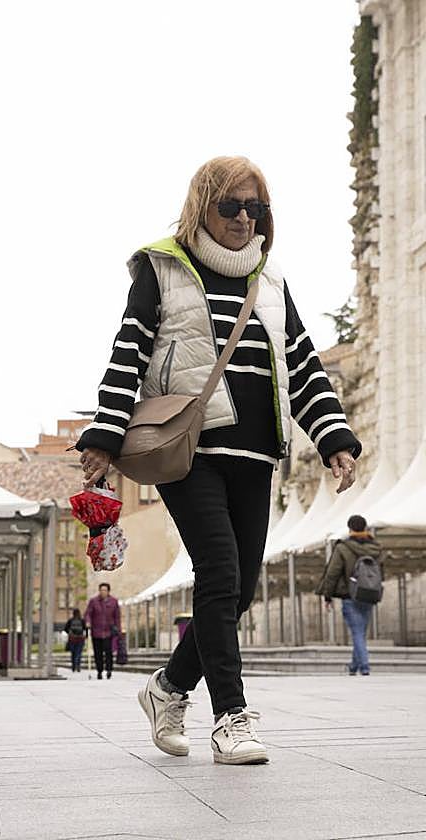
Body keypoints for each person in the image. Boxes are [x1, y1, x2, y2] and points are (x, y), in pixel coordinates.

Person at [78, 156, 361, 766]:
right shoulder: (163, 267)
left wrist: (333, 437)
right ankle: (231, 718)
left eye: (256, 208)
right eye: (230, 205)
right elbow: (129, 351)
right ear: (202, 205)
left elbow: (302, 364)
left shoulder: (271, 278)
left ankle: (167, 687)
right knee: (219, 572)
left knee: (240, 590)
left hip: (256, 454)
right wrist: (104, 435)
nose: (243, 218)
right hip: (190, 450)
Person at [317, 515, 383, 676]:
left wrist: (327, 596)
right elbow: (380, 571)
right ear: (365, 528)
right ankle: (353, 666)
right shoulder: (376, 547)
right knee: (360, 632)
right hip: (368, 594)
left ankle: (364, 667)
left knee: (357, 632)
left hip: (349, 595)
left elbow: (332, 573)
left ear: (350, 529)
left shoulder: (343, 547)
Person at [84, 584, 120, 679]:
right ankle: (99, 671)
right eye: (101, 590)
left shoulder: (114, 601)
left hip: (108, 631)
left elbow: (117, 617)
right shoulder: (93, 601)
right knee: (98, 653)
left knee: (108, 653)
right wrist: (88, 622)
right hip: (96, 632)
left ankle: (109, 670)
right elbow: (88, 613)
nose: (103, 592)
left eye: (105, 590)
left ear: (108, 591)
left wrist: (118, 629)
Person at [62, 608, 87, 673]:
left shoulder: (70, 620)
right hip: (80, 639)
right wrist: (85, 636)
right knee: (79, 653)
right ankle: (78, 665)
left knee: (73, 653)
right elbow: (85, 629)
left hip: (72, 639)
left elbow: (65, 629)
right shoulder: (82, 620)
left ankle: (73, 666)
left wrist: (70, 633)